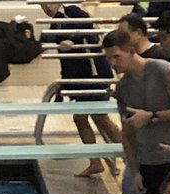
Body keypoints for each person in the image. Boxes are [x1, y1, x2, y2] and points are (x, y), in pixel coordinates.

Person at [102, 29, 170, 194]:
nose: (113, 64)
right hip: (147, 163)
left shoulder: (163, 70)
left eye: (117, 57)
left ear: (131, 50)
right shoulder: (123, 88)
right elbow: (127, 134)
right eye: (109, 59)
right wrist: (135, 170)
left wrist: (153, 116)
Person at [40, 1, 120, 178]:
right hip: (82, 79)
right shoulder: (56, 23)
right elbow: (48, 42)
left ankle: (129, 157)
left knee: (96, 118)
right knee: (90, 118)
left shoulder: (72, 12)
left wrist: (72, 39)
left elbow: (88, 28)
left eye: (50, 4)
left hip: (94, 76)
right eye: (43, 5)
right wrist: (65, 83)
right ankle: (97, 161)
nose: (47, 8)